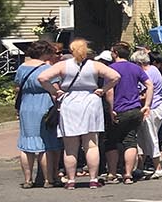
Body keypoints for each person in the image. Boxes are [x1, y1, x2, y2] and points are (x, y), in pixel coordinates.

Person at [38, 38, 121, 190]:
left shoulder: (63, 65)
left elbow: (42, 78)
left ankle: (71, 180)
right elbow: (115, 76)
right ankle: (93, 178)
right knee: (91, 144)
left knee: (70, 146)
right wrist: (103, 89)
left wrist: (55, 91)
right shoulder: (95, 65)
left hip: (69, 101)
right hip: (90, 100)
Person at [14, 41, 63, 188]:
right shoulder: (47, 68)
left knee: (26, 144)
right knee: (45, 144)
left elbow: (17, 88)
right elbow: (55, 89)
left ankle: (28, 180)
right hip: (44, 104)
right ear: (44, 53)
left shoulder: (22, 68)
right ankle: (49, 179)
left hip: (26, 105)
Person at [104, 42, 152, 184]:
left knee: (111, 141)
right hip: (135, 109)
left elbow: (110, 90)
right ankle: (128, 174)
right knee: (130, 140)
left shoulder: (110, 69)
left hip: (119, 109)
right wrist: (147, 105)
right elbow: (150, 84)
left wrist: (111, 108)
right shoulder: (135, 68)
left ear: (116, 53)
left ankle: (112, 173)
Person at [134, 49, 162, 178]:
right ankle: (139, 167)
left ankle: (157, 167)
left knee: (150, 137)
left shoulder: (147, 73)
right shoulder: (154, 69)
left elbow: (144, 93)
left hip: (150, 107)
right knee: (143, 138)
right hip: (158, 105)